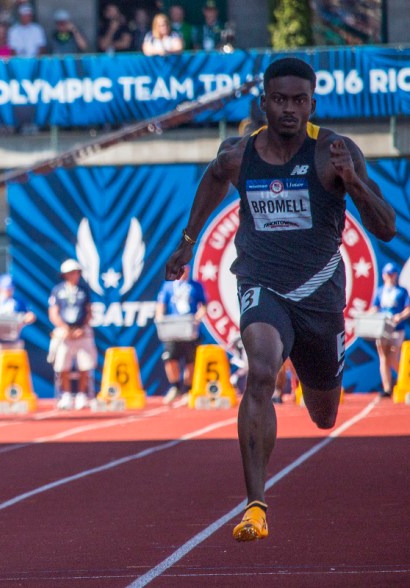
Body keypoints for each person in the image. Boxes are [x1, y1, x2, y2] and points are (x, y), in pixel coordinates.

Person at [165, 57, 396, 542]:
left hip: (318, 293)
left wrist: (352, 182)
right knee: (262, 370)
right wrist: (188, 241)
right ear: (264, 102)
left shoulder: (334, 150)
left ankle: (311, 370)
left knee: (323, 414)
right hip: (260, 283)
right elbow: (212, 177)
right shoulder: (237, 154)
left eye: (299, 101)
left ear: (311, 104)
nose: (289, 109)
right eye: (280, 100)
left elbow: (387, 227)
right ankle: (255, 505)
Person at [48, 259, 97, 410]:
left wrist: (82, 328)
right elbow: (53, 313)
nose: (73, 275)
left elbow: (89, 311)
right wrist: (65, 329)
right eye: (70, 273)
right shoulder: (57, 290)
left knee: (85, 364)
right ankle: (67, 395)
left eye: (76, 272)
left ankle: (82, 395)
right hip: (64, 332)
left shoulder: (84, 290)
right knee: (63, 364)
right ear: (64, 275)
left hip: (82, 331)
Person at [155, 264, 207, 403]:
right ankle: (175, 387)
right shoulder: (168, 286)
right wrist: (160, 318)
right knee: (170, 358)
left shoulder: (196, 286)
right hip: (173, 328)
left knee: (191, 361)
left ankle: (187, 390)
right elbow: (161, 305)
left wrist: (197, 318)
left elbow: (204, 305)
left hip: (190, 329)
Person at [0, 273, 36, 390]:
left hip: (13, 343)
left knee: (15, 370)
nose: (8, 291)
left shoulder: (18, 302)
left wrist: (27, 318)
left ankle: (14, 395)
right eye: (5, 288)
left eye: (10, 288)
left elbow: (30, 315)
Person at [368, 262, 410, 397]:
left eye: (392, 274)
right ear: (384, 275)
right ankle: (387, 388)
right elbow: (375, 307)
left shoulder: (401, 291)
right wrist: (368, 315)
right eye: (388, 274)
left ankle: (405, 379)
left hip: (397, 328)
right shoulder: (380, 291)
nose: (390, 277)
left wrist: (400, 316)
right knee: (383, 357)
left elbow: (407, 309)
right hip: (383, 329)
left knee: (392, 356)